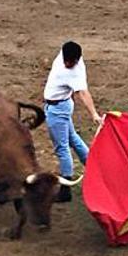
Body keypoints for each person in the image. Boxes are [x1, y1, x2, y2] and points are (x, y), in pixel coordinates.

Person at [42, 41, 103, 203]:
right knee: (72, 139)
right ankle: (93, 169)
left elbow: (83, 93)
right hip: (63, 105)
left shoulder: (74, 73)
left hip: (57, 110)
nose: (67, 64)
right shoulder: (65, 54)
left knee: (62, 148)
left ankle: (65, 190)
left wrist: (94, 114)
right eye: (66, 60)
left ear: (76, 60)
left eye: (70, 62)